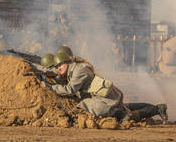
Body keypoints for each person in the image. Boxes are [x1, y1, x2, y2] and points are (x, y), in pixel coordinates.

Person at [40, 52, 168, 123]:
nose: (57, 69)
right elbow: (61, 76)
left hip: (106, 98)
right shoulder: (73, 69)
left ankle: (156, 109)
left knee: (124, 116)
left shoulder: (79, 70)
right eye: (55, 67)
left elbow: (70, 89)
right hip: (105, 97)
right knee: (125, 109)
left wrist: (50, 87)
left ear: (66, 63)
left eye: (59, 66)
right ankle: (158, 108)